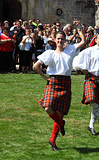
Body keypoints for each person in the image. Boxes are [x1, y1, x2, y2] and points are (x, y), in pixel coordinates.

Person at [33, 19, 86, 151]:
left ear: (65, 40)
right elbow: (36, 66)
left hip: (66, 83)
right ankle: (61, 124)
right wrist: (46, 78)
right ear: (54, 40)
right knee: (47, 107)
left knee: (60, 112)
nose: (60, 41)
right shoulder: (49, 53)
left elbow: (83, 42)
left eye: (62, 39)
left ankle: (53, 141)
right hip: (53, 82)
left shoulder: (70, 49)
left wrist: (80, 28)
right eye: (58, 39)